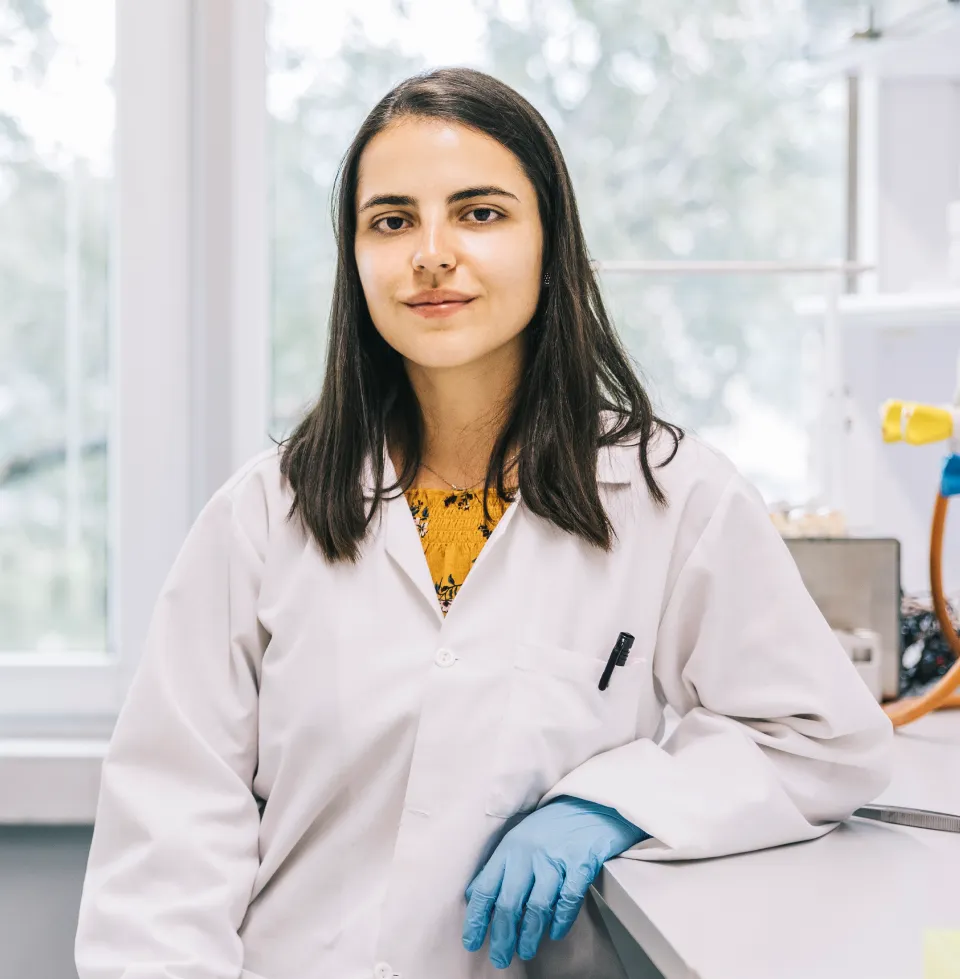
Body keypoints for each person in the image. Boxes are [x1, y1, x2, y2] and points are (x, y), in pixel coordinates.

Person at [74, 66, 893, 979]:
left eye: (480, 212)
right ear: (355, 258)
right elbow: (168, 834)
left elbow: (820, 737)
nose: (430, 252)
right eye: (391, 221)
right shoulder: (268, 512)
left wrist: (614, 801)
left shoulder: (669, 494)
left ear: (551, 242)